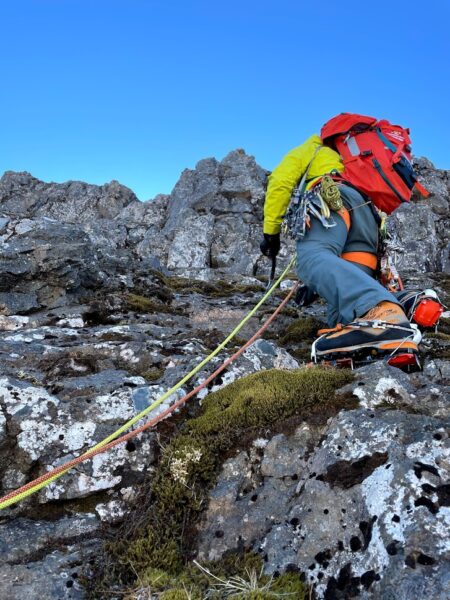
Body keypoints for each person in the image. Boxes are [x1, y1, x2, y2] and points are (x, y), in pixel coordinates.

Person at [260, 129, 420, 361]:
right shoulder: (356, 161)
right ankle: (385, 342)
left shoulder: (314, 148)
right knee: (346, 305)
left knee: (311, 258)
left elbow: (280, 181)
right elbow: (343, 274)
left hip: (334, 199)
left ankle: (388, 316)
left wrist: (270, 233)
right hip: (368, 218)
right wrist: (316, 285)